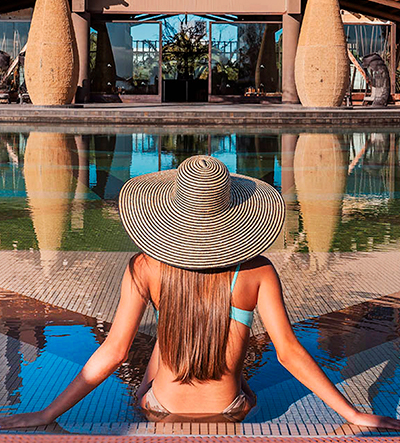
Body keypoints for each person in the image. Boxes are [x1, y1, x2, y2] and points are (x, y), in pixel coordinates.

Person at [1, 155, 400, 429]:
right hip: (232, 410)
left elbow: (114, 351)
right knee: (225, 346)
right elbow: (289, 352)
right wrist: (354, 414)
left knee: (165, 333)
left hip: (158, 407)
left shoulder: (146, 266)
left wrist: (47, 412)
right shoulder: (256, 271)